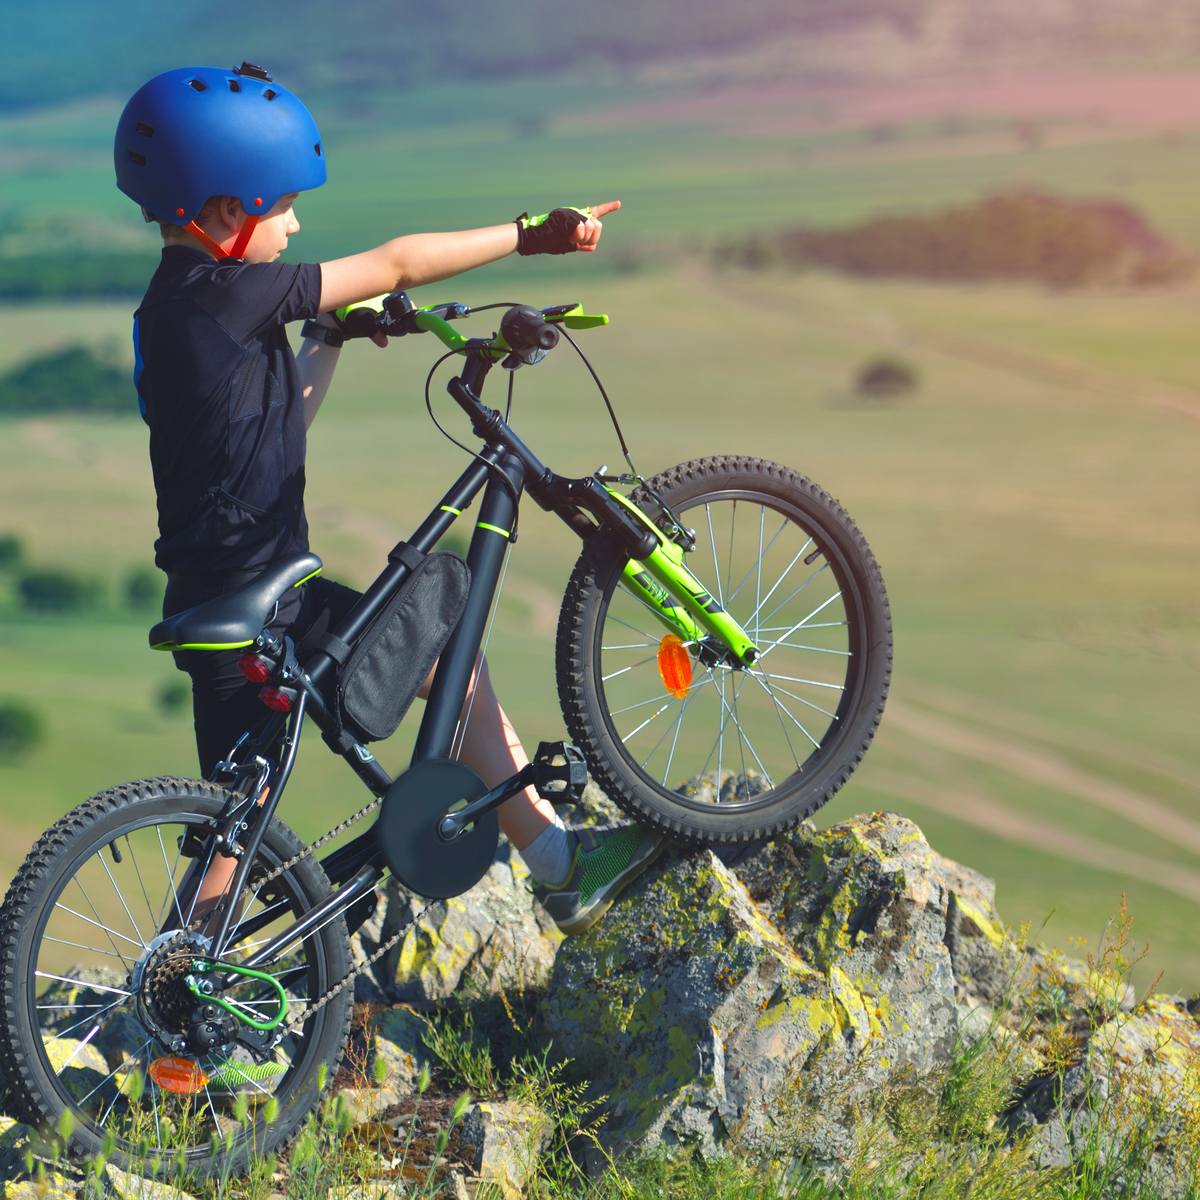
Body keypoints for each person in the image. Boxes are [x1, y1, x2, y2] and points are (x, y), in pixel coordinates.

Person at [115, 62, 662, 937]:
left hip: (217, 610)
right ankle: (560, 864)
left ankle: (173, 1008)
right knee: (443, 619)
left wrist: (328, 332)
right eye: (281, 206)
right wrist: (530, 234)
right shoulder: (239, 291)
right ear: (223, 215)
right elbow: (398, 262)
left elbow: (275, 427)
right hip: (269, 612)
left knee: (236, 824)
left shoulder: (171, 314)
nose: (295, 224)